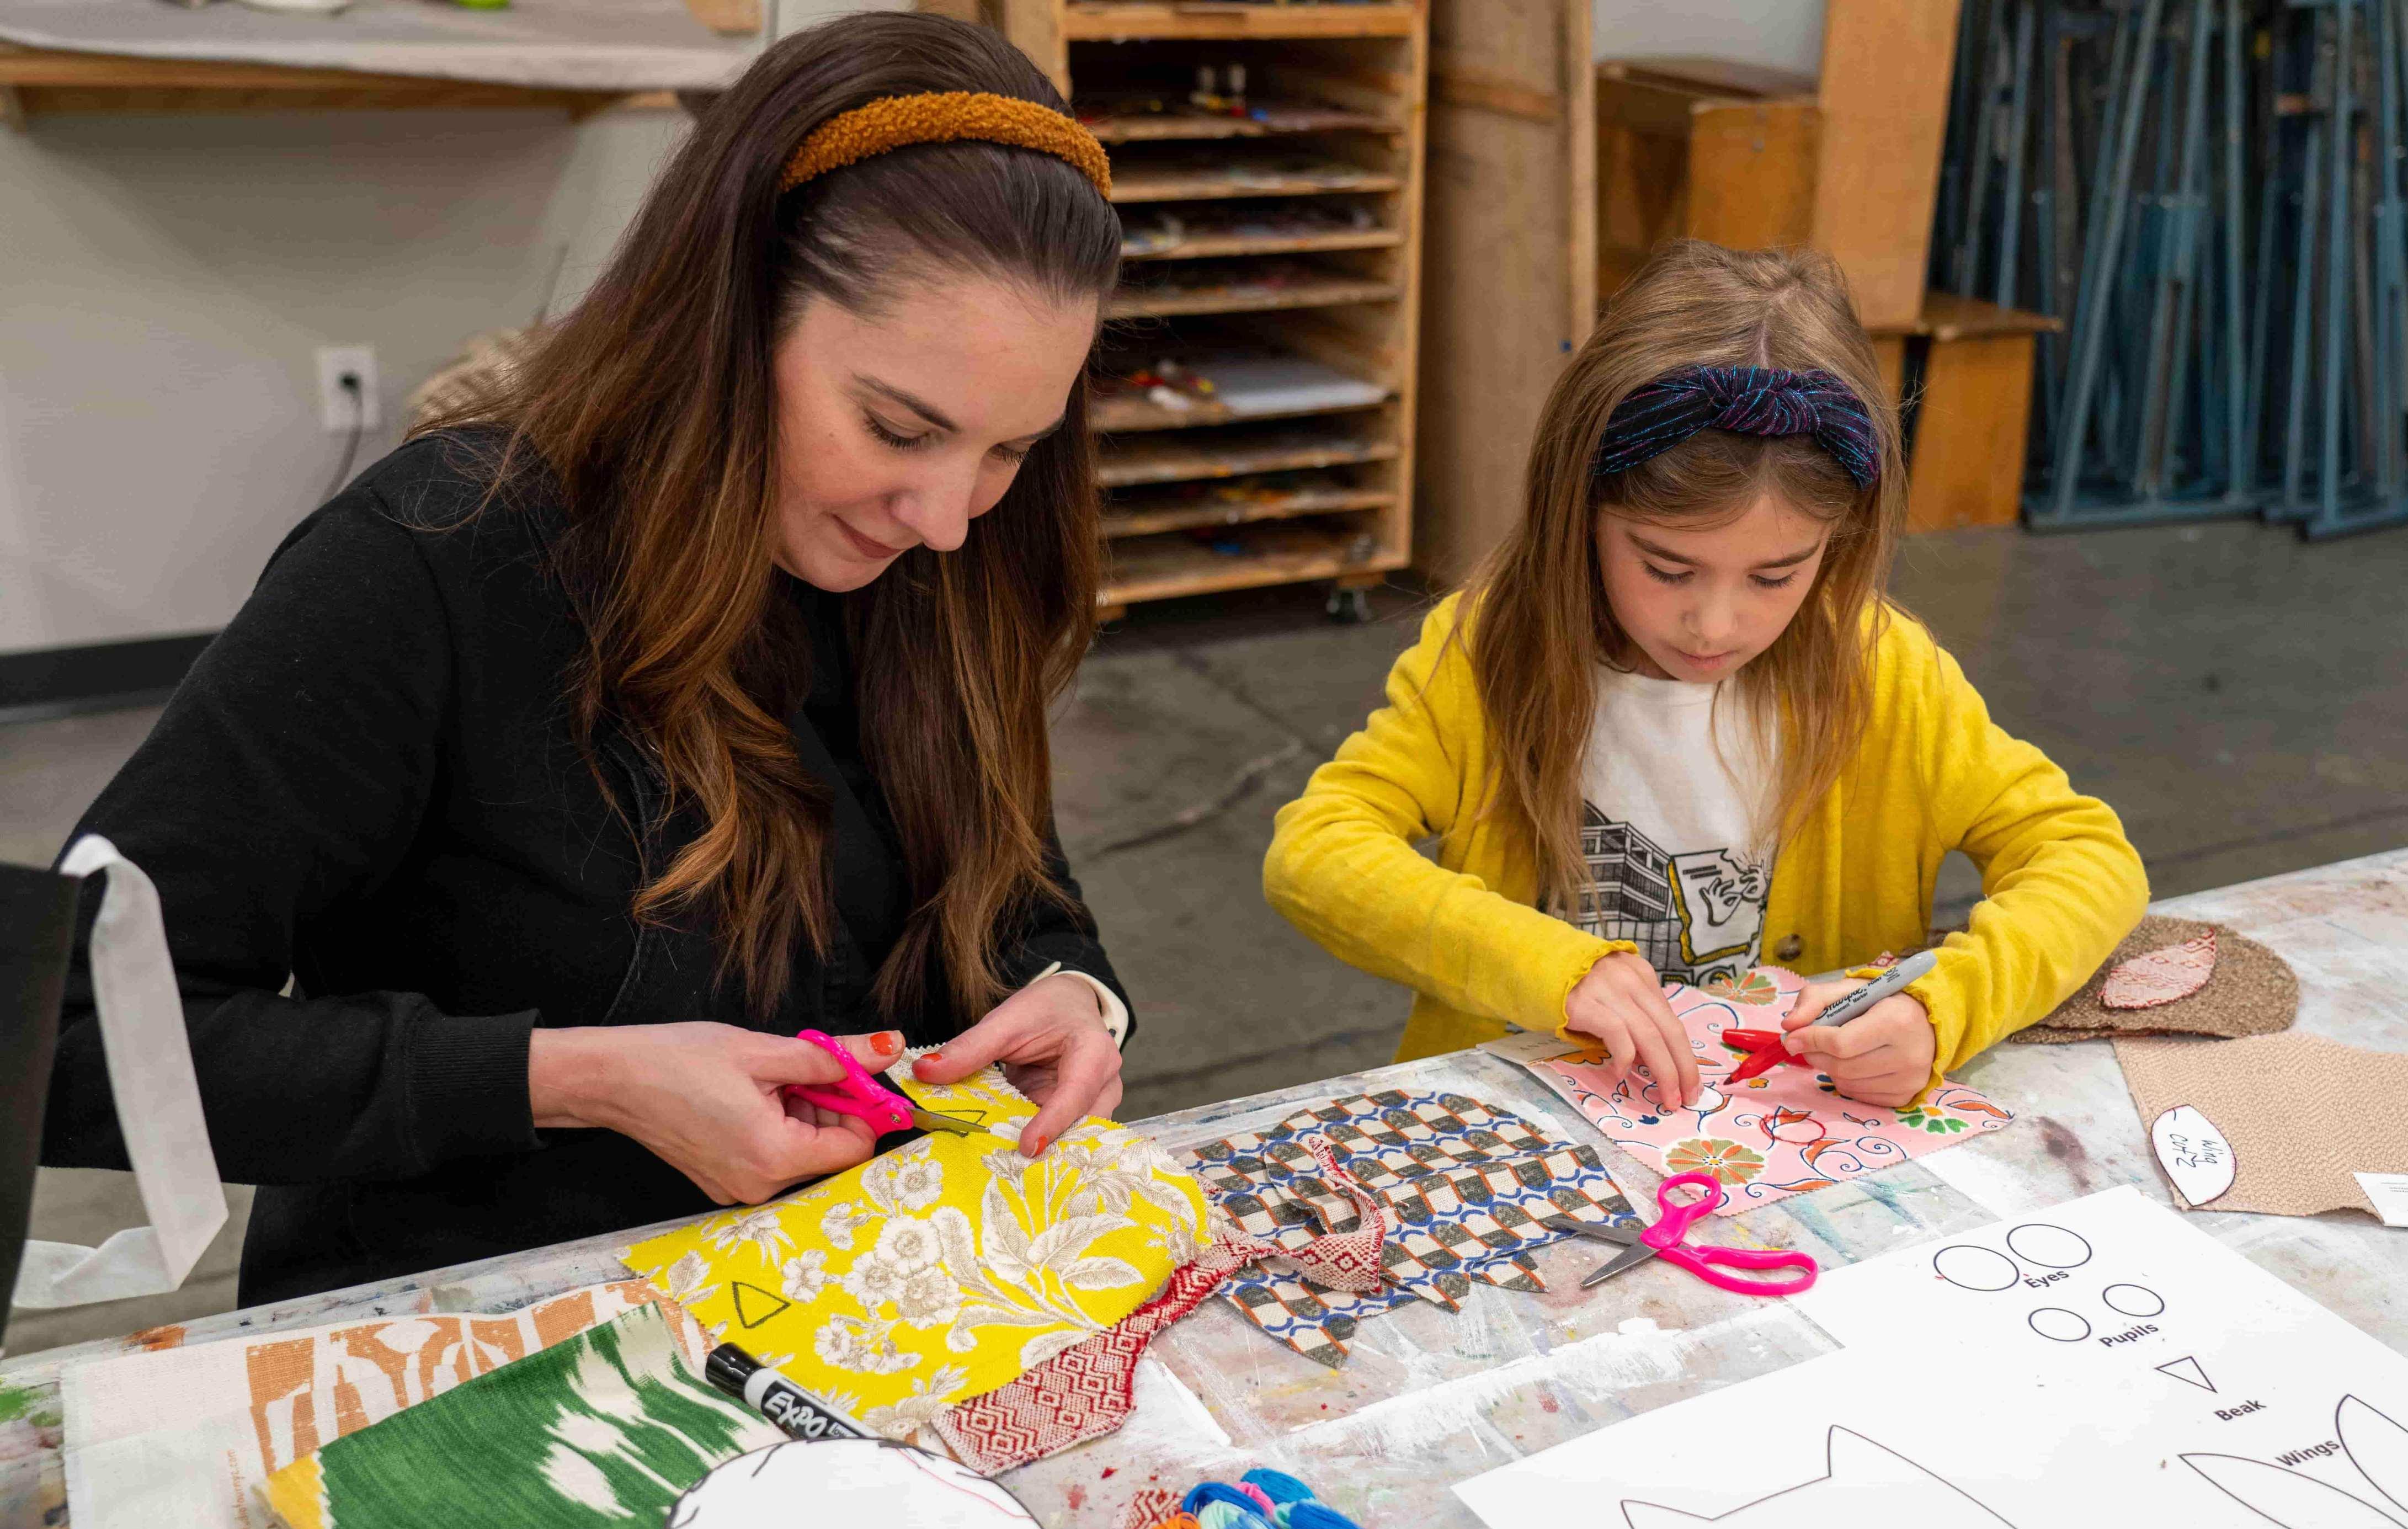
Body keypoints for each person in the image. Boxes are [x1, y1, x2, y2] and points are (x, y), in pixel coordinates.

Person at [44, 14, 1135, 1304]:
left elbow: (1016, 892)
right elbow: (66, 1040)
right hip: (491, 1335)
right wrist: (573, 1079)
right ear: (727, 321)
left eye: (1009, 451)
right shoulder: (432, 561)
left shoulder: (947, 564)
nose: (947, 517)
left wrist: (1076, 999)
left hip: (862, 1307)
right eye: (897, 427)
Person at [1265, 241, 2149, 1110]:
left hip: (1780, 1151)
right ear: (1578, 515)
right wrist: (1548, 968)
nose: (1716, 624)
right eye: (1665, 566)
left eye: (1776, 576)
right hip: (1528, 1130)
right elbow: (1318, 854)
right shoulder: (1491, 649)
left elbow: (2086, 859)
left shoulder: (1884, 672)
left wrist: (1942, 1004)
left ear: (1841, 543)